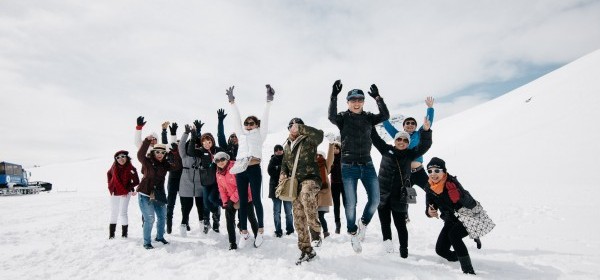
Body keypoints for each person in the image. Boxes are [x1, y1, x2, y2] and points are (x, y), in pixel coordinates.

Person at [328, 79, 390, 253]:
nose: (356, 103)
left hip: (367, 163)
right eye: (353, 100)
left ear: (363, 102)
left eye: (359, 100)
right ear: (348, 102)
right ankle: (353, 232)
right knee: (350, 203)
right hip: (348, 165)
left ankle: (363, 222)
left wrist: (378, 98)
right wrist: (334, 96)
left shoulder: (369, 118)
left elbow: (385, 116)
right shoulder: (342, 118)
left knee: (375, 199)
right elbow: (331, 117)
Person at [371, 117, 432, 258]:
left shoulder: (411, 154)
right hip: (383, 195)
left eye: (405, 141)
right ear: (395, 140)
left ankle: (404, 250)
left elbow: (425, 146)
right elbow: (374, 137)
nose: (402, 142)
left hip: (400, 196)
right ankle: (387, 247)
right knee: (385, 224)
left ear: (408, 143)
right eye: (399, 139)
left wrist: (427, 131)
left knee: (400, 225)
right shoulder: (386, 150)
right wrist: (369, 122)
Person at [225, 84, 274, 248]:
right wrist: (232, 102)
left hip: (253, 168)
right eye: (246, 122)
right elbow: (236, 119)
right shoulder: (241, 134)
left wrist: (268, 101)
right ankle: (244, 233)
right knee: (243, 202)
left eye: (251, 122)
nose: (248, 124)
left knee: (257, 201)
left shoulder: (260, 134)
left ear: (256, 125)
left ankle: (260, 231)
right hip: (240, 169)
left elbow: (265, 119)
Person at [280, 118, 324, 264]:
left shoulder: (309, 140)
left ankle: (316, 229)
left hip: (311, 179)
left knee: (306, 195)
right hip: (295, 184)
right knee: (298, 217)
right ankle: (306, 250)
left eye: (296, 126)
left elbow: (320, 135)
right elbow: (285, 163)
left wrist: (301, 128)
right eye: (290, 126)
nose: (293, 129)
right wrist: (283, 173)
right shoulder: (286, 145)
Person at [425, 157, 477, 275]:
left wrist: (460, 197)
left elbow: (472, 204)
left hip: (468, 217)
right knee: (440, 250)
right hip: (450, 220)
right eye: (430, 171)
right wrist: (429, 211)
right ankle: (459, 256)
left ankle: (468, 270)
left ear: (444, 171)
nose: (433, 174)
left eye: (437, 171)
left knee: (454, 235)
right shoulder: (429, 186)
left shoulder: (452, 183)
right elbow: (429, 205)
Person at [137, 137, 182, 249]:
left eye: (162, 152)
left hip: (159, 194)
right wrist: (147, 141)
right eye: (157, 152)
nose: (160, 154)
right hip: (145, 194)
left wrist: (175, 152)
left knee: (162, 217)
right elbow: (140, 155)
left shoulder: (165, 164)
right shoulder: (147, 162)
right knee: (150, 218)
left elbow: (177, 166)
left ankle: (160, 237)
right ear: (153, 152)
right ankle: (147, 242)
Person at [382, 97, 435, 191]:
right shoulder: (398, 136)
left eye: (413, 123)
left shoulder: (419, 134)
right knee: (406, 198)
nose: (410, 124)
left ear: (415, 126)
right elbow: (387, 125)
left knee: (432, 192)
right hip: (405, 175)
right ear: (404, 126)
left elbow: (428, 123)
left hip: (419, 172)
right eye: (408, 123)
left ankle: (439, 205)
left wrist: (430, 108)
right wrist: (382, 111)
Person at [214, 151, 259, 250]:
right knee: (229, 219)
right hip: (231, 199)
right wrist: (226, 202)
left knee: (251, 217)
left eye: (222, 159)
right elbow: (221, 188)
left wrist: (232, 199)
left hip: (245, 197)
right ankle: (232, 243)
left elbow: (242, 186)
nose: (220, 162)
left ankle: (258, 237)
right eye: (217, 160)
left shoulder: (236, 167)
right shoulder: (218, 173)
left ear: (227, 159)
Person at [187, 120, 223, 234]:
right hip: (206, 181)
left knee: (213, 199)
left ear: (212, 141)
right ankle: (207, 222)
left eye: (209, 141)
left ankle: (216, 219)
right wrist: (193, 136)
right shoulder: (201, 151)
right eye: (204, 142)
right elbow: (191, 151)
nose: (207, 144)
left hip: (217, 182)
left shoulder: (218, 150)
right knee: (206, 203)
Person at [177, 124, 205, 237]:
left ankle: (203, 228)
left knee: (201, 207)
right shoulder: (184, 156)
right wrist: (186, 133)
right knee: (186, 208)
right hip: (185, 184)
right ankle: (183, 225)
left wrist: (197, 132)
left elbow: (201, 142)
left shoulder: (201, 157)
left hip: (199, 184)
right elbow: (181, 145)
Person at [106, 150, 140, 239]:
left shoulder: (131, 168)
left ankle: (124, 235)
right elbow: (108, 174)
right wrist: (110, 184)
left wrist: (129, 188)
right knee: (114, 212)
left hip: (125, 192)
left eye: (123, 156)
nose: (120, 159)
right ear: (115, 159)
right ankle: (111, 235)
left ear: (126, 157)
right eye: (118, 157)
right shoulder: (114, 167)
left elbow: (136, 181)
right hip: (115, 192)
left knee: (123, 212)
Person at [268, 144, 294, 237]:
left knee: (288, 211)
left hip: (286, 189)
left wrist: (278, 169)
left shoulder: (287, 159)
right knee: (277, 212)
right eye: (276, 150)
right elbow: (270, 171)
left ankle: (290, 230)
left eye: (280, 149)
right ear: (274, 151)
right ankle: (278, 230)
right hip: (275, 189)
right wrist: (281, 172)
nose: (278, 151)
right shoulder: (272, 160)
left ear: (283, 150)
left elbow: (290, 171)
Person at [165, 122, 182, 234]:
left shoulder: (183, 154)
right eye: (176, 143)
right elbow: (167, 144)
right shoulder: (169, 153)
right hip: (172, 179)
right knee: (170, 203)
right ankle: (169, 225)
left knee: (184, 203)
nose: (177, 145)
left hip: (182, 180)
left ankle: (186, 223)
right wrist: (171, 133)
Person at [316, 147, 334, 240]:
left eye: (320, 155)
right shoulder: (312, 166)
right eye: (317, 155)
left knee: (320, 216)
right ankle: (316, 234)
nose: (318, 157)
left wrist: (331, 145)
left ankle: (325, 232)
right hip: (313, 195)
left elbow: (331, 158)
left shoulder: (326, 165)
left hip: (323, 194)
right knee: (314, 217)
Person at [329, 141, 345, 234]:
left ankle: (349, 224)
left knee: (347, 204)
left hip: (344, 184)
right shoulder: (331, 159)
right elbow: (327, 170)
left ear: (339, 149)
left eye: (336, 148)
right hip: (334, 184)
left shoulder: (344, 158)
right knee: (336, 205)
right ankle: (337, 225)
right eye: (333, 149)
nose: (335, 150)